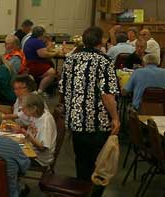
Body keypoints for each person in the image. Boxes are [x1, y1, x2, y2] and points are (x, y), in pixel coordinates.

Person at [59, 26, 120, 197]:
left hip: (76, 121)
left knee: (82, 162)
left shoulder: (70, 59)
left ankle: (82, 191)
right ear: (101, 41)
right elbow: (107, 95)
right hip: (97, 123)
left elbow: (63, 89)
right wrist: (115, 118)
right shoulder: (104, 61)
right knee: (100, 165)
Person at [15, 94, 57, 167]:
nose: (22, 110)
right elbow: (33, 126)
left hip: (39, 159)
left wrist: (26, 134)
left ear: (34, 108)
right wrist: (22, 128)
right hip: (31, 150)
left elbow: (42, 147)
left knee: (10, 158)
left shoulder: (45, 122)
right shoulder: (36, 114)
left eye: (24, 108)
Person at [23, 26, 59, 94]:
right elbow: (43, 55)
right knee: (52, 72)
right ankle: (39, 91)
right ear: (42, 34)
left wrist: (48, 48)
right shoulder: (37, 41)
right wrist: (55, 53)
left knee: (50, 64)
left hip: (28, 63)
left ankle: (45, 90)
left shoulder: (30, 40)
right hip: (33, 65)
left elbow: (43, 51)